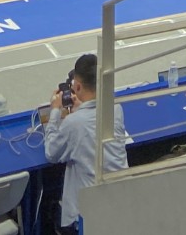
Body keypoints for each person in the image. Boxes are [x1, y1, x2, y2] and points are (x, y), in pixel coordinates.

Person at [43, 53, 126, 235]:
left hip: (85, 216)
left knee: (49, 210)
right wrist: (80, 109)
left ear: (78, 86)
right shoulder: (116, 110)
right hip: (118, 203)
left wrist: (55, 111)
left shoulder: (73, 123)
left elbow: (51, 153)